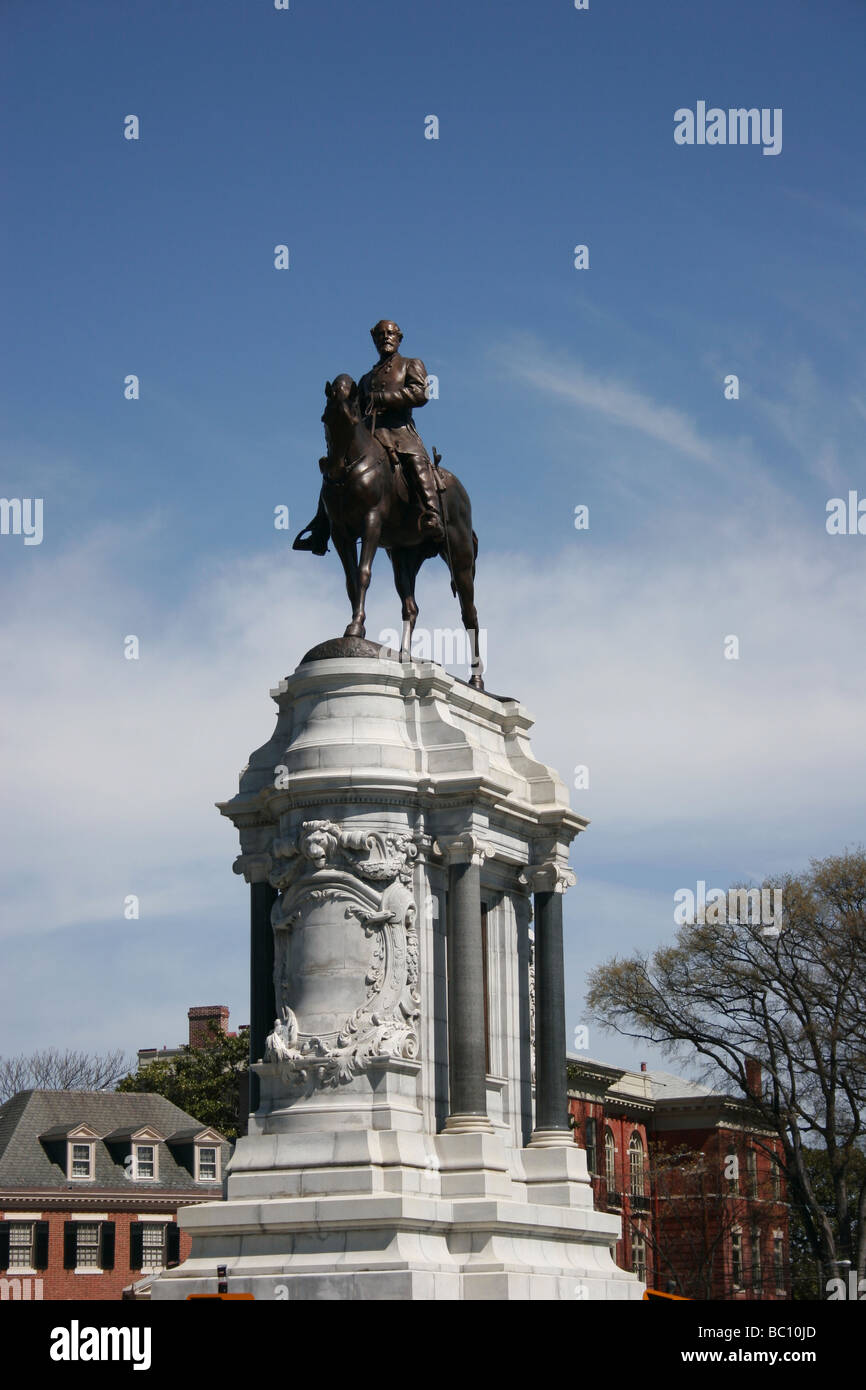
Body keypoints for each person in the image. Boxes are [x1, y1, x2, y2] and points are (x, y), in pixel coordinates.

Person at [293, 320, 444, 553]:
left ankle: (432, 513)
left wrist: (384, 398)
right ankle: (320, 529)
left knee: (415, 463)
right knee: (334, 474)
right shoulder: (365, 379)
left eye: (390, 334)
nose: (386, 338)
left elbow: (420, 393)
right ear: (374, 339)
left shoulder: (410, 364)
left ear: (399, 338)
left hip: (400, 433)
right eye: (381, 334)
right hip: (371, 435)